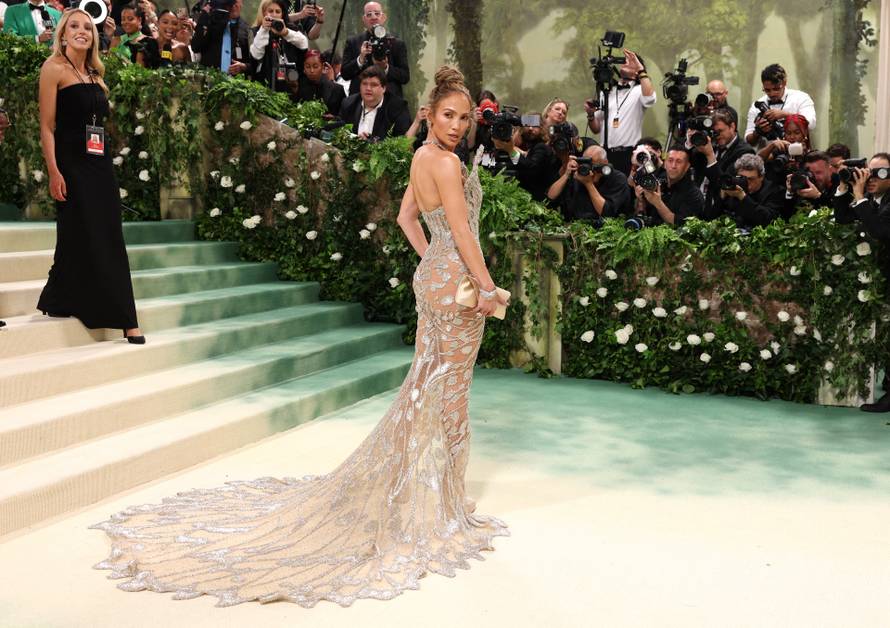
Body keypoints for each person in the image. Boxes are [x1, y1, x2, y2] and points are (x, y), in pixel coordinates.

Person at [91, 65, 507, 607]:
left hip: (434, 281)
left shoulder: (419, 159)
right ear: (429, 114)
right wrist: (487, 286)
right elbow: (459, 230)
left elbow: (408, 217)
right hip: (458, 288)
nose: (455, 125)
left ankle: (434, 491)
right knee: (450, 389)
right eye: (448, 115)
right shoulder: (447, 164)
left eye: (463, 117)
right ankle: (446, 501)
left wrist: (432, 265)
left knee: (426, 386)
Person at [36, 9, 143, 343]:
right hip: (71, 163)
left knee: (101, 231)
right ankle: (127, 319)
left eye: (87, 27)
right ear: (63, 34)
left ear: (94, 36)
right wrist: (54, 170)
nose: (82, 31)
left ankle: (61, 298)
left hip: (99, 162)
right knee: (86, 232)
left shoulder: (97, 74)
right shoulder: (53, 69)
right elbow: (47, 126)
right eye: (74, 26)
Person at [833, 153, 890, 412]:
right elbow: (844, 219)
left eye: (881, 172)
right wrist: (845, 188)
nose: (872, 177)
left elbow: (879, 231)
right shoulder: (878, 200)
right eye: (871, 171)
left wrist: (859, 196)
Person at [585, 49, 656, 175]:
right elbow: (596, 129)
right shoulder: (607, 92)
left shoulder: (639, 89)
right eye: (624, 61)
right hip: (605, 153)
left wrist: (641, 69)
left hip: (628, 153)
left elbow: (650, 99)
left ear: (637, 71)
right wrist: (590, 114)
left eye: (630, 62)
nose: (625, 63)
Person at [688, 109, 754, 219]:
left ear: (732, 126)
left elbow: (726, 183)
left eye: (720, 131)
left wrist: (710, 155)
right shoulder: (711, 143)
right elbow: (690, 163)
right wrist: (690, 143)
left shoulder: (744, 151)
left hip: (723, 212)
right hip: (699, 206)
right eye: (713, 132)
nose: (716, 135)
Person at [340, 2, 409, 100]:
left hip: (390, 103)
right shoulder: (353, 42)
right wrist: (360, 59)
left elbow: (405, 77)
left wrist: (385, 67)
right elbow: (345, 74)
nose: (373, 17)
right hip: (359, 102)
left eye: (377, 13)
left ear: (384, 17)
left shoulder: (397, 44)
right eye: (369, 14)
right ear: (364, 19)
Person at [547, 144, 631, 224]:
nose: (590, 170)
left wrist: (588, 184)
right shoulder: (578, 173)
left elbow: (607, 214)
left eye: (594, 166)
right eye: (586, 164)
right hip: (575, 228)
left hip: (605, 230)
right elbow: (550, 197)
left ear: (605, 163)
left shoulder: (618, 179)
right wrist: (566, 174)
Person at [744, 63, 816, 148]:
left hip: (799, 154)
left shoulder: (800, 98)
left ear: (784, 82)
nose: (772, 93)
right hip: (768, 157)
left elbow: (811, 124)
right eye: (767, 90)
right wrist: (758, 131)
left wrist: (785, 114)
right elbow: (748, 141)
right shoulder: (757, 105)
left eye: (776, 89)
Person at [633, 146, 704, 226]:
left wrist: (658, 204)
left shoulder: (694, 194)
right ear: (665, 163)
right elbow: (642, 217)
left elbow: (681, 226)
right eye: (670, 160)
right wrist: (640, 200)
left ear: (687, 166)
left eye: (679, 161)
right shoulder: (655, 182)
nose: (673, 166)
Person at [338, 65, 410, 140]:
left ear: (384, 88)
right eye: (364, 84)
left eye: (374, 85)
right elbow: (340, 132)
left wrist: (374, 143)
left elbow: (400, 143)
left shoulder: (398, 108)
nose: (368, 88)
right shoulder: (348, 104)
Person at [249, 0, 308, 93]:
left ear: (282, 14)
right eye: (270, 11)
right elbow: (256, 55)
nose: (274, 14)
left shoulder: (290, 28)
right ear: (264, 12)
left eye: (277, 11)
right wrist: (264, 30)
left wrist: (285, 32)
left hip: (289, 85)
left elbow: (304, 44)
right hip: (264, 86)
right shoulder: (257, 31)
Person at [717, 153, 783, 229]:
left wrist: (743, 197)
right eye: (741, 178)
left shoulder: (775, 191)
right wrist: (721, 198)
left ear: (761, 177)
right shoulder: (733, 187)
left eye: (750, 179)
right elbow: (711, 218)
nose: (746, 182)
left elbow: (768, 220)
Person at [192, 0, 250, 76]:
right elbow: (196, 47)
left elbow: (255, 63)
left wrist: (244, 67)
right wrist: (205, 16)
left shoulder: (246, 29)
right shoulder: (210, 22)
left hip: (235, 83)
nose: (233, 5)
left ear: (241, 2)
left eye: (236, 1)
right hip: (209, 79)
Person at [783, 150, 836, 219]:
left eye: (818, 172)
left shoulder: (840, 186)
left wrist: (818, 196)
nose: (814, 177)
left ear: (830, 170)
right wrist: (790, 192)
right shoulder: (806, 184)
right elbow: (787, 218)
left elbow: (837, 213)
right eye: (810, 173)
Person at [293, 49, 344, 115]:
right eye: (308, 67)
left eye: (315, 67)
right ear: (304, 68)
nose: (311, 70)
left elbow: (343, 116)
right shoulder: (300, 85)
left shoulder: (336, 89)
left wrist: (334, 118)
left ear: (323, 67)